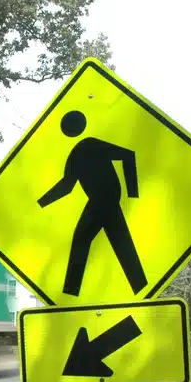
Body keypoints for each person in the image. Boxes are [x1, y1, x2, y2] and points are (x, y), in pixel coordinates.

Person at [37, 110, 147, 297]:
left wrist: (133, 194)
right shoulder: (76, 153)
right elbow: (66, 186)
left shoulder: (90, 145)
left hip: (106, 200)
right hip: (99, 201)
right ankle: (139, 286)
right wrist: (41, 203)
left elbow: (128, 156)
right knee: (117, 243)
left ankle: (71, 292)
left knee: (88, 240)